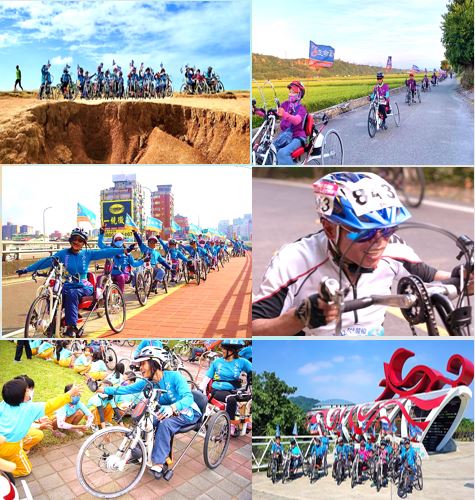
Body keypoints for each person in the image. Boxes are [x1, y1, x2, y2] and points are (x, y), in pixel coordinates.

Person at [253, 171, 467, 336]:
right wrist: (299, 317)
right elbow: (253, 328)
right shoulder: (293, 260)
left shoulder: (394, 248)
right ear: (330, 229)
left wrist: (466, 277)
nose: (380, 242)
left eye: (387, 230)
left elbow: (436, 278)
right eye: (365, 233)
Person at [97, 346, 201, 479]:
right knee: (146, 420)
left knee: (165, 425)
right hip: (167, 412)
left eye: (143, 363)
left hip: (187, 412)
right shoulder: (149, 382)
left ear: (155, 363)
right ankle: (139, 450)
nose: (140, 367)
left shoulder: (174, 377)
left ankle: (158, 462)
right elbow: (126, 389)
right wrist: (103, 390)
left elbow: (188, 397)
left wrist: (172, 408)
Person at [16, 227, 131, 337]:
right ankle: (54, 323)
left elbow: (107, 252)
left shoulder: (88, 254)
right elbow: (45, 261)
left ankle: (72, 327)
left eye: (80, 240)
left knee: (72, 294)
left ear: (84, 243)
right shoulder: (63, 254)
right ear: (70, 240)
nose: (77, 242)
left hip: (84, 286)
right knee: (54, 293)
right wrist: (26, 269)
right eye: (74, 239)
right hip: (68, 285)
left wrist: (124, 250)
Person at [0, 377, 82, 477]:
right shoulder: (29, 409)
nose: (29, 391)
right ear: (22, 397)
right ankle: (3, 473)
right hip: (11, 447)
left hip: (3, 440)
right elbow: (51, 404)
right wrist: (70, 393)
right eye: (27, 390)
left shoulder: (3, 404)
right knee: (25, 470)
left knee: (35, 436)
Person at [200, 339, 252, 434]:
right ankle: (230, 424)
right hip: (218, 389)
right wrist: (201, 388)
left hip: (233, 389)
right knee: (231, 399)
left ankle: (246, 420)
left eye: (224, 348)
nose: (222, 350)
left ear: (231, 351)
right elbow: (207, 377)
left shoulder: (242, 362)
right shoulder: (217, 362)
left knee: (247, 398)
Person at [98, 227, 143, 293]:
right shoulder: (110, 249)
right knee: (99, 278)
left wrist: (143, 261)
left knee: (121, 277)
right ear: (113, 241)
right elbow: (100, 245)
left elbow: (134, 264)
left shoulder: (127, 252)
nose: (118, 241)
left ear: (123, 240)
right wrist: (101, 234)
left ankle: (120, 295)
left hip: (123, 274)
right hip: (110, 274)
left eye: (120, 239)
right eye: (116, 240)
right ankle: (101, 297)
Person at [273, 81, 308, 165]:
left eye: (293, 92)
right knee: (270, 150)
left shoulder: (301, 109)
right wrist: (257, 111)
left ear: (299, 95)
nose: (290, 94)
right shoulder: (286, 104)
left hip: (297, 137)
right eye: (290, 92)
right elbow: (278, 112)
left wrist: (284, 114)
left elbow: (296, 120)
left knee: (282, 153)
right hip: (285, 135)